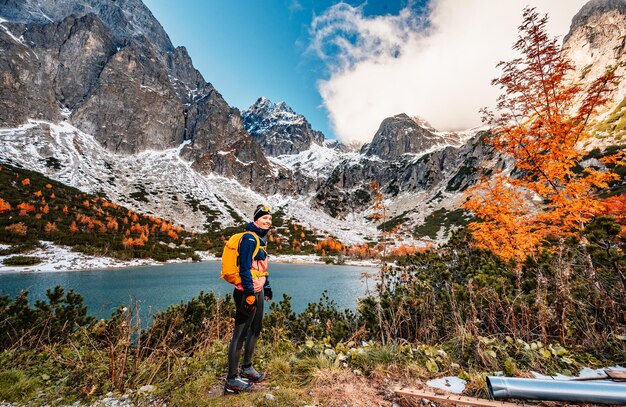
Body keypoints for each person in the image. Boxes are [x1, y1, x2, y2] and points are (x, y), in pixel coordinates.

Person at [224, 204, 274, 394]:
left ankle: (247, 368)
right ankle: (231, 380)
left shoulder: (261, 239)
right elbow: (245, 268)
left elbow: (260, 267)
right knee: (240, 334)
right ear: (256, 219)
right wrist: (250, 293)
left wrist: (266, 287)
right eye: (264, 218)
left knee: (256, 328)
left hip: (258, 289)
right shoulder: (248, 239)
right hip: (246, 291)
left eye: (269, 219)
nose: (268, 221)